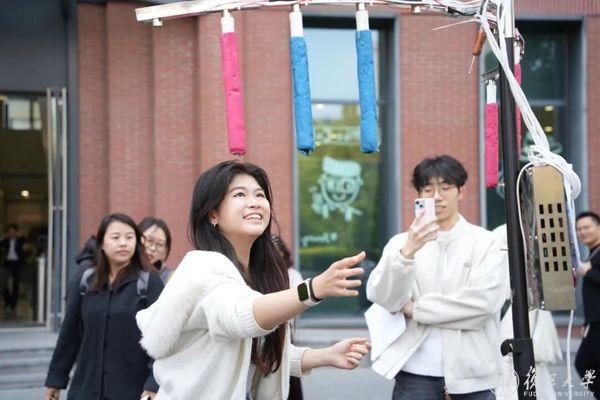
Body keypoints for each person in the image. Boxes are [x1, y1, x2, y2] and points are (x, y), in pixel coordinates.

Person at [136, 161, 371, 400]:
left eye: (260, 194)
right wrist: (312, 290)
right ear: (212, 214)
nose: (255, 202)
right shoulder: (203, 268)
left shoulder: (255, 274)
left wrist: (327, 355)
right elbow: (240, 315)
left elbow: (261, 354)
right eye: (240, 194)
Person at [366, 155, 505, 400]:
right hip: (415, 372)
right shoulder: (401, 243)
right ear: (419, 195)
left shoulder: (485, 242)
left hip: (474, 374)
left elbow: (483, 305)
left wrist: (415, 309)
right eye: (428, 189)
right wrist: (408, 252)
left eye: (445, 187)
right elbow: (383, 297)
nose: (437, 197)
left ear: (461, 191)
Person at [44, 213, 164, 400]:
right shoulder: (86, 280)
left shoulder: (150, 282)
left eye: (129, 237)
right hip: (85, 389)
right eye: (115, 237)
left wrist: (153, 384)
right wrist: (55, 379)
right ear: (101, 243)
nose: (123, 243)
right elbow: (70, 333)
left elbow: (161, 337)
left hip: (132, 390)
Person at [272, 235, 304, 400]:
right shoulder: (259, 273)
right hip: (264, 329)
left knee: (289, 371)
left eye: (277, 253)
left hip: (284, 329)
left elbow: (302, 299)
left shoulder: (292, 274)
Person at [575, 211, 600, 400]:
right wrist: (587, 322)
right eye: (579, 229)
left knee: (584, 363)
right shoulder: (593, 253)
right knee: (586, 364)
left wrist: (588, 272)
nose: (582, 232)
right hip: (594, 322)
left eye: (587, 227)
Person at [0, 224, 27, 315]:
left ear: (15, 232)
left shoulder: (19, 240)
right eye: (9, 231)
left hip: (17, 264)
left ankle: (13, 304)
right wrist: (3, 237)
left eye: (12, 231)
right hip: (7, 264)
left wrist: (19, 235)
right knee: (3, 283)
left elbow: (25, 240)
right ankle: (7, 300)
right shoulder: (6, 240)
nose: (11, 233)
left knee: (16, 284)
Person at [139, 217, 174, 282]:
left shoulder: (170, 279)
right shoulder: (122, 269)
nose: (153, 248)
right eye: (150, 240)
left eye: (160, 244)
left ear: (166, 250)